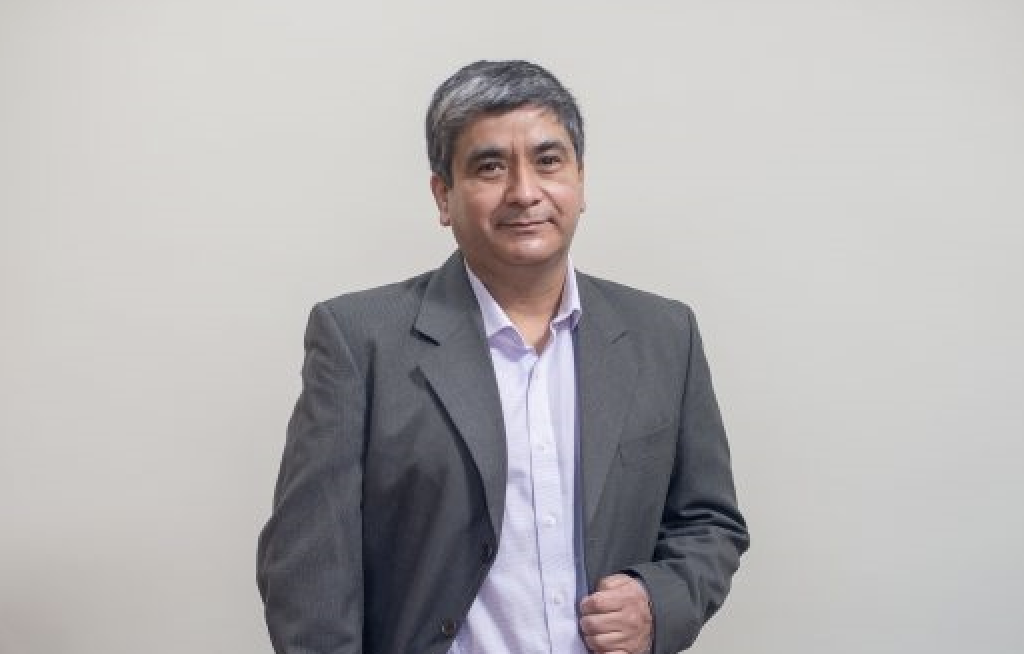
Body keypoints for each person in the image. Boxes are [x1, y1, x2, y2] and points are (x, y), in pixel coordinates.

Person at [257, 59, 749, 654]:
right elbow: (309, 573)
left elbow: (709, 522)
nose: (524, 191)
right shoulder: (360, 340)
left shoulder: (663, 334)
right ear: (444, 196)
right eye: (489, 166)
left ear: (581, 180)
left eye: (548, 161)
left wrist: (657, 602)